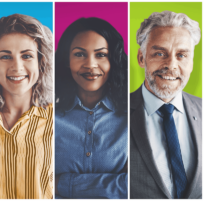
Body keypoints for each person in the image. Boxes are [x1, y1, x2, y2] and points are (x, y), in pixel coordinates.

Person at [0, 14, 53, 199]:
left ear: (41, 62)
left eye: (27, 56)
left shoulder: (59, 119)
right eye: (5, 56)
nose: (17, 67)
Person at [130, 11, 202, 199]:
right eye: (160, 53)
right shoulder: (116, 112)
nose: (171, 65)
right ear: (141, 58)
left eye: (181, 55)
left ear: (192, 63)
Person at [55, 17, 128, 199]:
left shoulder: (132, 116)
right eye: (79, 54)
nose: (90, 65)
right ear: (66, 60)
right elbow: (34, 181)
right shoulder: (46, 116)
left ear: (113, 60)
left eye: (101, 54)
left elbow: (131, 186)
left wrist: (60, 184)